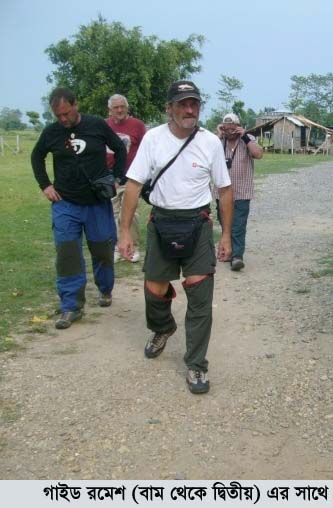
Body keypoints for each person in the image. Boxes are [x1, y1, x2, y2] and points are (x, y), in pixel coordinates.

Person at [117, 80, 233, 395]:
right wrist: (124, 231)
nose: (189, 109)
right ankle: (163, 327)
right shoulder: (153, 139)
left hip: (197, 224)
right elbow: (133, 185)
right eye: (183, 104)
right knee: (154, 290)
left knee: (200, 296)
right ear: (169, 108)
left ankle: (196, 364)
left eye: (194, 103)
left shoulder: (210, 142)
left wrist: (226, 236)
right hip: (161, 223)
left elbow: (224, 190)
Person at [31, 87, 126, 330]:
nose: (63, 119)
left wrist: (116, 178)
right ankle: (71, 305)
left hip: (97, 203)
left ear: (75, 105)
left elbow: (120, 148)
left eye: (66, 113)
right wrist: (45, 185)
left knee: (103, 250)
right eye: (58, 115)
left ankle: (105, 288)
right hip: (65, 203)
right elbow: (37, 156)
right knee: (67, 254)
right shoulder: (51, 132)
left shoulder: (96, 125)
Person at [213, 112, 263, 271]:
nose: (229, 131)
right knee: (225, 224)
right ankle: (227, 251)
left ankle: (237, 256)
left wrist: (245, 137)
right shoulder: (218, 142)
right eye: (226, 128)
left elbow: (258, 154)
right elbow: (206, 155)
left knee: (238, 225)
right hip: (222, 192)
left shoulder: (247, 139)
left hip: (242, 191)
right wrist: (218, 135)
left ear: (238, 127)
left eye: (232, 128)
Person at [105, 94, 146, 263]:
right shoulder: (105, 125)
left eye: (122, 106)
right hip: (110, 176)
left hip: (131, 176)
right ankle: (117, 246)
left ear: (127, 108)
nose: (120, 110)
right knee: (112, 212)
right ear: (110, 110)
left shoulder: (137, 125)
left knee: (131, 212)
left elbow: (145, 148)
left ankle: (133, 246)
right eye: (116, 107)